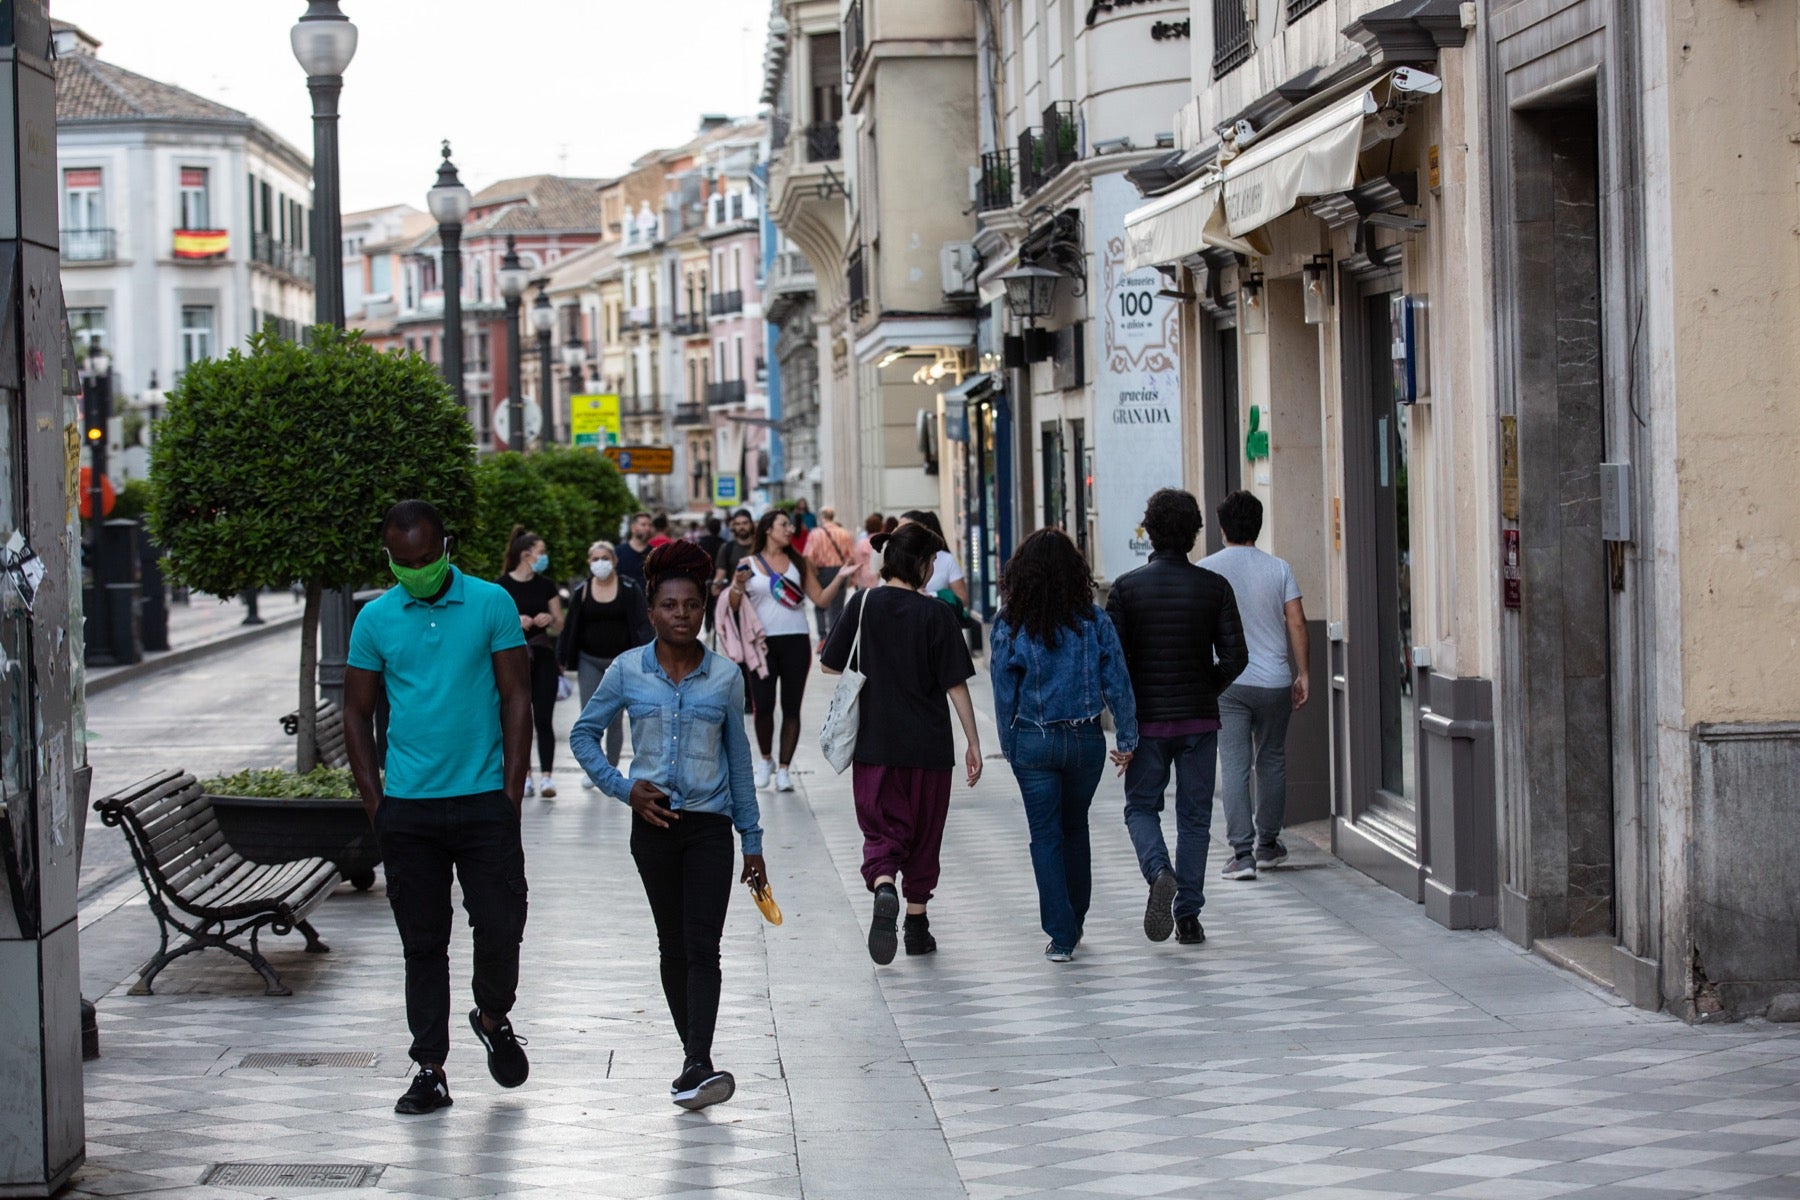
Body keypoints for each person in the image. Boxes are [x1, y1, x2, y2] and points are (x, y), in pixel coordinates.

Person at [342, 500, 533, 1117]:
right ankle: (430, 1069)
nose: (415, 570)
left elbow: (517, 698)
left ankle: (493, 1014)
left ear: (446, 546)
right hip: (410, 813)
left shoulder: (491, 604)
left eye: (425, 559)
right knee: (423, 945)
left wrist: (510, 796)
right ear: (388, 559)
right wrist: (379, 807)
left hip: (482, 803)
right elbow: (356, 712)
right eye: (403, 563)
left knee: (502, 924)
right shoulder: (374, 619)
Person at [570, 542, 765, 1112]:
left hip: (709, 826)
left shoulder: (725, 676)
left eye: (691, 605)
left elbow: (740, 761)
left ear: (703, 610)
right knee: (672, 944)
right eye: (669, 605)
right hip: (652, 827)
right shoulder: (628, 670)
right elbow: (583, 734)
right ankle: (694, 1063)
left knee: (704, 945)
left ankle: (698, 1063)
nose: (681, 614)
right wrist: (623, 787)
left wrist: (751, 843)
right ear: (651, 611)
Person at [822, 522, 982, 964]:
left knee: (882, 830)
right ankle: (916, 927)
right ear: (922, 564)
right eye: (932, 562)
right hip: (929, 748)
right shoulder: (937, 615)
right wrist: (973, 742)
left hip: (875, 745)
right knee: (925, 834)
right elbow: (956, 686)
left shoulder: (863, 603)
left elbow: (830, 665)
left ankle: (884, 886)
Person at [1105, 488, 1247, 947]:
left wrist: (1125, 715)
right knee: (1195, 817)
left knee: (1141, 806)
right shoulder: (1213, 587)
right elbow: (1236, 656)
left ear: (1148, 531)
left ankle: (1158, 869)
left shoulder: (1126, 590)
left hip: (1147, 721)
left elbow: (1114, 663)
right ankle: (1188, 915)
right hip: (1199, 723)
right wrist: (1208, 686)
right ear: (1193, 533)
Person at [990, 529, 1138, 963]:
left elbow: (1003, 688)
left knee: (1045, 836)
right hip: (1085, 740)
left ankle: (1061, 934)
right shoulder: (1094, 621)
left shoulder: (1010, 622)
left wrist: (1010, 742)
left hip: (1033, 739)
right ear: (1076, 573)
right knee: (1075, 827)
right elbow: (1118, 682)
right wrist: (1127, 736)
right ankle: (1076, 914)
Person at [1199, 491, 1310, 880]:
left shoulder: (1206, 569)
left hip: (1229, 683)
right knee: (1272, 759)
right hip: (1274, 681)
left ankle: (1242, 853)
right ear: (1258, 526)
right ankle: (1267, 844)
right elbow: (1296, 620)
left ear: (1222, 526)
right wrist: (1304, 673)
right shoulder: (1279, 569)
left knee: (1233, 764)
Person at [728, 509, 850, 791]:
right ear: (768, 529)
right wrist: (737, 584)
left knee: (791, 707)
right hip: (761, 644)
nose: (790, 529)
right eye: (784, 525)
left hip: (796, 640)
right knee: (763, 705)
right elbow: (734, 606)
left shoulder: (799, 562)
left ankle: (784, 768)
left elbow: (819, 600)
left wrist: (841, 576)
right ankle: (766, 760)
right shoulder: (748, 563)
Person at [555, 540, 653, 788]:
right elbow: (570, 627)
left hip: (620, 664)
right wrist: (561, 658)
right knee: (590, 716)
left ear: (615, 561)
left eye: (605, 558)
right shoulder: (582, 591)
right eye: (595, 558)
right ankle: (594, 769)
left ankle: (609, 767)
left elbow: (642, 625)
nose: (601, 563)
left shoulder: (629, 589)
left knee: (615, 718)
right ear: (589, 562)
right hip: (590, 660)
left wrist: (650, 657)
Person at [496, 526, 564, 799]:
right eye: (541, 552)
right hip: (513, 659)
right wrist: (516, 622)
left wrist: (551, 620)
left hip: (542, 655)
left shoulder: (546, 585)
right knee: (516, 719)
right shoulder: (501, 586)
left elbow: (560, 624)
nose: (544, 557)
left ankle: (547, 776)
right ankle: (523, 776)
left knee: (544, 718)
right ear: (526, 555)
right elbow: (494, 626)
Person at [803, 506, 857, 644]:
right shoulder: (844, 533)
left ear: (821, 517)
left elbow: (808, 556)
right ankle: (835, 638)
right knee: (837, 607)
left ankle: (823, 637)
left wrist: (814, 572)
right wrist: (851, 576)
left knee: (820, 605)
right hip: (841, 570)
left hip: (822, 571)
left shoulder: (815, 533)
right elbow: (851, 557)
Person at [898, 510, 970, 613]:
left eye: (907, 528)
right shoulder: (896, 559)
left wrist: (934, 595)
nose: (898, 533)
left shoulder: (946, 559)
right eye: (898, 528)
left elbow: (963, 599)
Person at [616, 512, 654, 589]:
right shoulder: (618, 552)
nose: (647, 528)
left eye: (650, 525)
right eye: (643, 525)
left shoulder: (655, 553)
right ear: (632, 528)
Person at [851, 512, 885, 591]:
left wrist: (856, 577)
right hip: (882, 576)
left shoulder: (861, 543)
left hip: (865, 576)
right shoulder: (885, 542)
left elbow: (858, 562)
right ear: (881, 527)